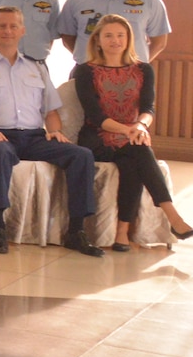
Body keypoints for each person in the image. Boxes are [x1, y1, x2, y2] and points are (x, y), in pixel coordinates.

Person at [0, 5, 96, 257]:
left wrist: (55, 131)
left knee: (81, 155)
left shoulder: (36, 67)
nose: (8, 31)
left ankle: (76, 230)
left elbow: (50, 111)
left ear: (23, 30)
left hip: (33, 136)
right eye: (2, 26)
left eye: (13, 26)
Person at [70, 14, 192, 250]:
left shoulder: (144, 69)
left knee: (132, 161)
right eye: (108, 36)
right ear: (97, 40)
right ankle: (172, 216)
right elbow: (95, 116)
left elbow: (148, 109)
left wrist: (140, 125)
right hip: (97, 136)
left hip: (131, 135)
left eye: (120, 35)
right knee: (139, 150)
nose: (115, 40)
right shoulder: (85, 71)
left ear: (129, 39)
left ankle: (122, 233)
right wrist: (128, 130)